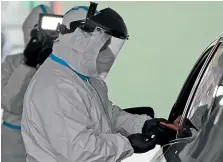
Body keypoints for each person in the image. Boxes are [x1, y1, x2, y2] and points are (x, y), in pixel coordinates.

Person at [21, 4, 176, 162]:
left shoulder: (84, 78)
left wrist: (141, 124)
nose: (107, 51)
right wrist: (128, 144)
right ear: (80, 40)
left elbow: (106, 116)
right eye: (103, 45)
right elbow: (78, 150)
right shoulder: (55, 87)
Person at [1, 5, 54, 162]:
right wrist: (28, 65)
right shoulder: (12, 63)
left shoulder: (61, 65)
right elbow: (10, 103)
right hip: (15, 140)